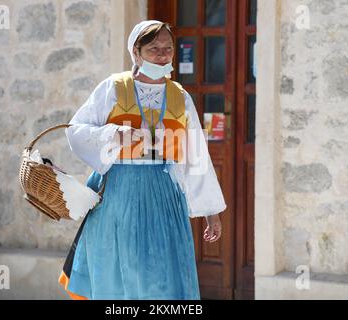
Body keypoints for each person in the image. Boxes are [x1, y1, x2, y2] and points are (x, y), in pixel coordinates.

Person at [58, 20, 227, 300]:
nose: (162, 55)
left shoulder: (180, 97)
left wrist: (212, 212)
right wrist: (113, 134)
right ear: (136, 53)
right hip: (118, 195)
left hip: (164, 195)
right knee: (121, 272)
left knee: (161, 275)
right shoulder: (112, 88)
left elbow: (196, 155)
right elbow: (76, 131)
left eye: (168, 48)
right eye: (154, 49)